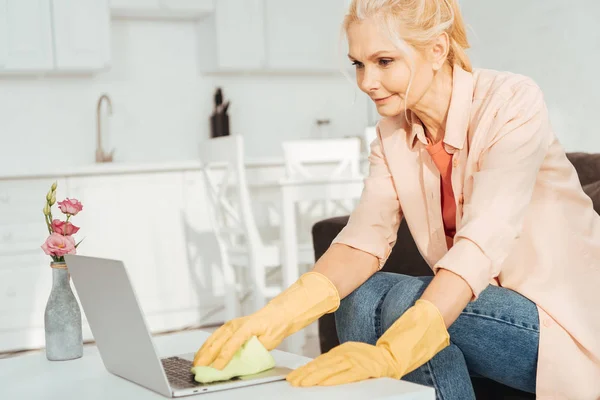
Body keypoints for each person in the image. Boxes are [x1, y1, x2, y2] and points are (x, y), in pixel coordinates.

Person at [193, 0, 600, 398]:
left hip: (565, 319)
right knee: (358, 297)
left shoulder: (512, 101)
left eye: (384, 61)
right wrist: (274, 317)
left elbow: (486, 235)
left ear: (437, 50)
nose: (366, 81)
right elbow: (364, 239)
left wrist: (394, 353)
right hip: (485, 306)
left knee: (406, 302)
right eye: (358, 63)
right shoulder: (393, 132)